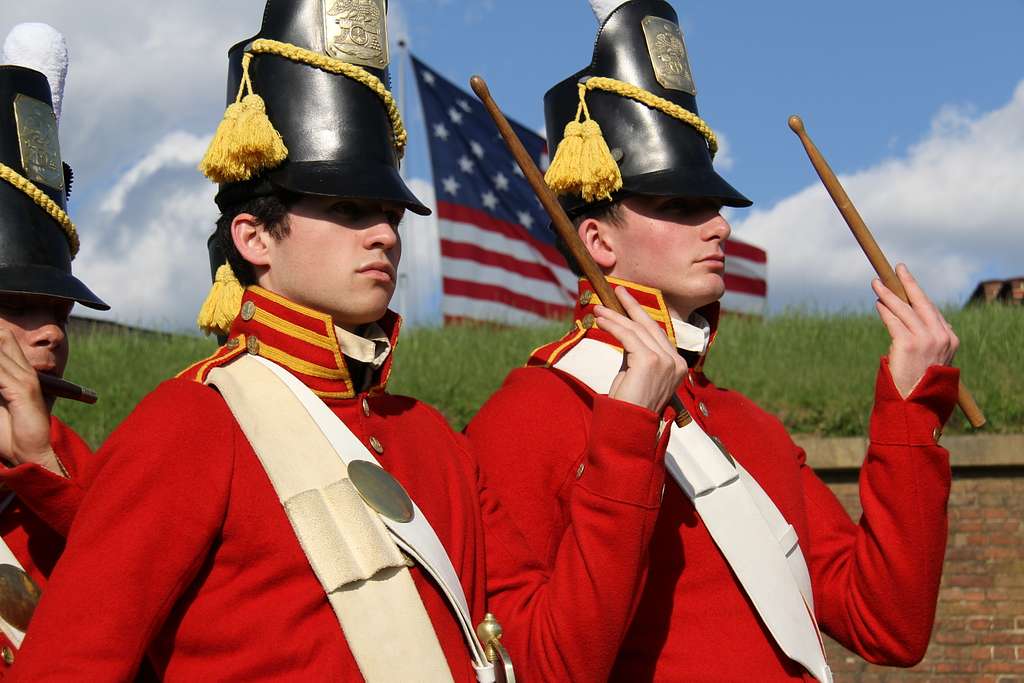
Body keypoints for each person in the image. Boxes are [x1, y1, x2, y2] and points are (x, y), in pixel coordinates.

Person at [11, 2, 685, 680]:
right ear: (254, 236)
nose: (386, 234)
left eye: (390, 213)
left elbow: (556, 664)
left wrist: (625, 436)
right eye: (348, 209)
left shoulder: (433, 442)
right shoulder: (189, 425)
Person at [465, 2, 961, 681]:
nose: (719, 227)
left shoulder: (747, 429)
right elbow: (545, 665)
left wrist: (910, 407)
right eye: (679, 207)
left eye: (715, 206)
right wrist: (628, 436)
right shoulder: (527, 418)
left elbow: (889, 621)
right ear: (598, 240)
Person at [0, 23, 108, 671]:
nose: (50, 333)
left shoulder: (82, 476)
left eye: (59, 313)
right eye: (16, 308)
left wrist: (39, 462)